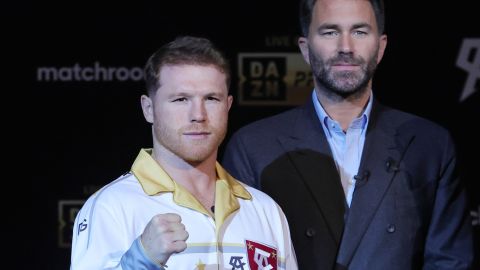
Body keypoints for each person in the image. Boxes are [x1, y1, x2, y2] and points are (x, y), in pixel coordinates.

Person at [222, 0, 474, 269]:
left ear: (381, 47)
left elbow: (450, 262)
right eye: (330, 32)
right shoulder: (252, 147)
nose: (345, 47)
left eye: (360, 32)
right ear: (305, 49)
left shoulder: (430, 145)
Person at [70, 36, 298, 270]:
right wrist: (140, 261)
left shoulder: (265, 210)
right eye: (181, 99)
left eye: (211, 98)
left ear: (228, 106)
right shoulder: (112, 207)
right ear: (149, 109)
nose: (198, 114)